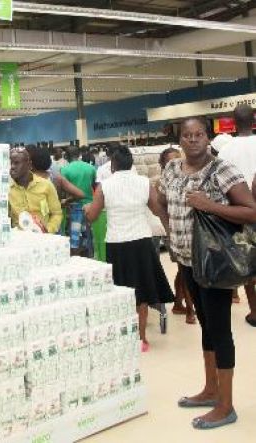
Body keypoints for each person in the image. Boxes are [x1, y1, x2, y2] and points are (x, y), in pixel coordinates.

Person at [157, 116, 256, 430]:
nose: (193, 139)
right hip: (187, 262)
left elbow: (251, 211)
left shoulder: (222, 169)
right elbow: (158, 199)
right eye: (187, 135)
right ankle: (211, 389)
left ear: (208, 137)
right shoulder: (172, 169)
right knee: (206, 327)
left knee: (220, 331)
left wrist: (209, 205)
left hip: (215, 264)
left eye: (199, 134)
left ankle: (226, 406)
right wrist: (170, 229)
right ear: (180, 140)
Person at [85, 146, 174, 352]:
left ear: (112, 165)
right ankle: (142, 338)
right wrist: (170, 230)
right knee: (142, 291)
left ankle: (125, 335)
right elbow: (157, 209)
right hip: (142, 241)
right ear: (131, 164)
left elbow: (93, 216)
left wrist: (87, 210)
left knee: (121, 290)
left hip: (117, 244)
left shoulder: (105, 187)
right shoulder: (144, 183)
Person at [218, 104, 256, 326]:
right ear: (254, 120)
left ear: (232, 123)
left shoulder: (226, 150)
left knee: (247, 261)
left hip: (240, 213)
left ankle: (254, 311)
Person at [158, 148, 196, 325]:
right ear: (163, 164)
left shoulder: (187, 177)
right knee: (185, 269)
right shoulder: (162, 183)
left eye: (178, 158)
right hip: (172, 232)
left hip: (188, 231)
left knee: (184, 271)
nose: (175, 163)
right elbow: (160, 206)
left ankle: (178, 303)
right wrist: (169, 229)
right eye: (170, 160)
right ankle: (190, 309)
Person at [9, 147, 63, 233]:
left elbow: (57, 213)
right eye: (10, 163)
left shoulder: (46, 185)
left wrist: (48, 230)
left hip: (43, 238)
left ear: (29, 165)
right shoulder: (7, 190)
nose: (12, 167)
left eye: (16, 163)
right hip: (19, 239)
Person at [61, 146, 96, 256]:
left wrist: (65, 201)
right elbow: (94, 186)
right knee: (88, 234)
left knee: (74, 236)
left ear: (66, 156)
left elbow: (64, 190)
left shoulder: (65, 170)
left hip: (74, 206)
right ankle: (90, 256)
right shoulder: (91, 168)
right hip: (90, 205)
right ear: (79, 155)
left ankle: (75, 259)